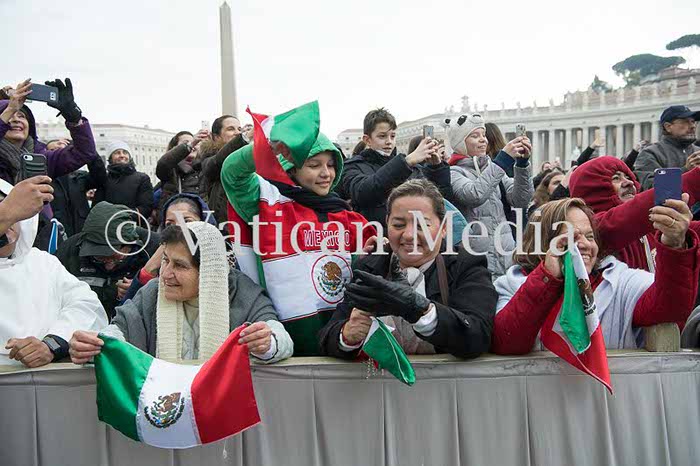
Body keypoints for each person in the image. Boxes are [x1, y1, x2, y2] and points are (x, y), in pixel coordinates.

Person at [222, 101, 376, 356]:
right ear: (291, 167)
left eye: (330, 164)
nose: (326, 173)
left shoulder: (347, 216)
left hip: (342, 342)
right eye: (314, 165)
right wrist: (267, 148)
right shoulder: (265, 202)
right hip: (282, 344)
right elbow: (232, 173)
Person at [491, 197, 699, 354]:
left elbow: (669, 308)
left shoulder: (619, 281)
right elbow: (506, 342)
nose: (585, 244)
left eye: (590, 236)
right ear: (544, 243)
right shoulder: (512, 284)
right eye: (570, 237)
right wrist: (547, 277)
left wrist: (674, 246)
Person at [319, 179, 497, 358]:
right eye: (398, 225)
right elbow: (327, 338)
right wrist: (348, 336)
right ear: (386, 223)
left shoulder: (466, 265)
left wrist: (419, 310)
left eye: (422, 225)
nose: (409, 235)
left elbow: (477, 337)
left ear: (443, 228)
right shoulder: (369, 267)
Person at [69, 222, 293, 364]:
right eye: (165, 260)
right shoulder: (152, 292)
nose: (165, 274)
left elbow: (279, 338)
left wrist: (267, 343)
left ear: (208, 271)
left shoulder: (242, 292)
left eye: (179, 265)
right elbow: (118, 331)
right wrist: (94, 346)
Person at [0, 178, 107, 367]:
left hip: (48, 378)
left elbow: (87, 305)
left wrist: (52, 344)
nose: (9, 223)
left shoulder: (42, 262)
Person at [569, 155, 700, 272]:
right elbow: (635, 212)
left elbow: (693, 230)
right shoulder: (595, 228)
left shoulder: (648, 227)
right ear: (592, 188)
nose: (630, 182)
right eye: (616, 178)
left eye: (628, 177)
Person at [447, 113, 533, 279]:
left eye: (484, 135)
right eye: (475, 136)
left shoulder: (492, 169)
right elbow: (475, 195)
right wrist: (503, 159)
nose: (483, 140)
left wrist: (522, 165)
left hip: (506, 255)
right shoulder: (453, 172)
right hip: (477, 260)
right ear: (460, 143)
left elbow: (521, 200)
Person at [340, 108, 452, 229]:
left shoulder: (412, 168)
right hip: (375, 236)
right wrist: (406, 162)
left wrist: (436, 168)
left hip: (415, 234)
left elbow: (440, 202)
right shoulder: (353, 166)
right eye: (382, 136)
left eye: (392, 136)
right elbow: (363, 193)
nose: (389, 142)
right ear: (367, 140)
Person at [56, 202, 159, 320]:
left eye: (116, 258)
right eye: (99, 258)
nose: (108, 266)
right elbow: (54, 294)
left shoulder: (155, 250)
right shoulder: (70, 250)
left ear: (130, 244)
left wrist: (142, 290)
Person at [118, 192, 219, 304]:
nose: (178, 230)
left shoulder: (225, 267)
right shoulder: (157, 260)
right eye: (170, 224)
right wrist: (147, 271)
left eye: (187, 221)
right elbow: (129, 309)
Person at [0, 78, 98, 184]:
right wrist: (10, 109)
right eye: (9, 116)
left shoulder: (41, 159)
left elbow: (84, 153)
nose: (16, 120)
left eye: (21, 116)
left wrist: (73, 116)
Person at [634, 105, 700, 190]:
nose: (693, 126)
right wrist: (685, 170)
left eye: (693, 122)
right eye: (685, 122)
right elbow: (651, 188)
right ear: (668, 127)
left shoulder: (697, 151)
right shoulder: (650, 154)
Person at [200, 116, 250, 224]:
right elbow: (217, 162)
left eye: (239, 129)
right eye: (231, 129)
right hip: (225, 225)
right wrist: (243, 138)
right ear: (216, 137)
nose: (237, 133)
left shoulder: (249, 158)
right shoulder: (209, 158)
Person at [93, 141, 154, 220]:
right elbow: (97, 207)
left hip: (133, 224)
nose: (122, 155)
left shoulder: (142, 178)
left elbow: (146, 207)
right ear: (110, 158)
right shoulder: (104, 179)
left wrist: (122, 216)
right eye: (117, 153)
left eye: (125, 152)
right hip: (108, 224)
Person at [51, 153, 106, 237]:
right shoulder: (46, 179)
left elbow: (99, 177)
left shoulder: (79, 177)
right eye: (53, 151)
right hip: (58, 232)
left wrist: (90, 152)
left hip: (81, 230)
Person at [155, 130, 206, 215]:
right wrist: (189, 145)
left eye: (196, 143)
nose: (193, 145)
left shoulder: (203, 168)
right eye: (186, 142)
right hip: (174, 217)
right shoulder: (170, 171)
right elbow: (163, 164)